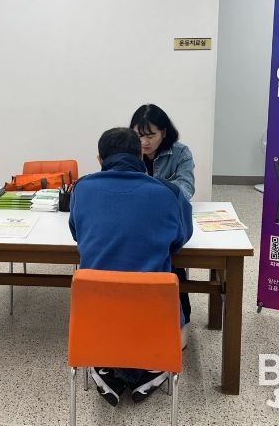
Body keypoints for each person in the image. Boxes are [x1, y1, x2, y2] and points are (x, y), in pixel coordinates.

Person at [69, 127, 193, 406]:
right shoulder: (169, 193)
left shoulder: (82, 188)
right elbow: (180, 239)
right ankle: (150, 365)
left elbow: (77, 233)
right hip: (153, 312)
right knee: (171, 276)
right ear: (140, 155)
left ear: (100, 159)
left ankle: (105, 364)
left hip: (95, 313)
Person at [130, 103, 195, 334]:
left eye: (150, 136)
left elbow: (186, 188)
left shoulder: (180, 152)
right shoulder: (128, 150)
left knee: (171, 259)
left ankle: (180, 320)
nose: (144, 142)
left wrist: (150, 192)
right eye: (139, 136)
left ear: (164, 132)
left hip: (166, 218)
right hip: (135, 220)